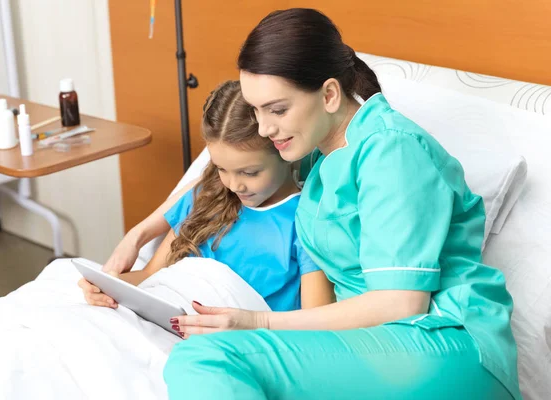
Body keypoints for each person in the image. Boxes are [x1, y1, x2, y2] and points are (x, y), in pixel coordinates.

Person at [161, 8, 521, 400]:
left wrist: (260, 322)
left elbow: (400, 303)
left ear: (330, 94)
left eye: (277, 110)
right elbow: (222, 168)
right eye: (256, 111)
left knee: (206, 359)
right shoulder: (318, 156)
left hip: (441, 343)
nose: (264, 128)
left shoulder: (392, 150)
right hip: (373, 347)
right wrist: (147, 229)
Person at [79, 80, 333, 323]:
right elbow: (149, 278)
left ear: (285, 152)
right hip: (175, 322)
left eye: (250, 172)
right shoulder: (206, 198)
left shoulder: (305, 222)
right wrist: (107, 286)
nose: (234, 185)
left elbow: (315, 322)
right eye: (222, 169)